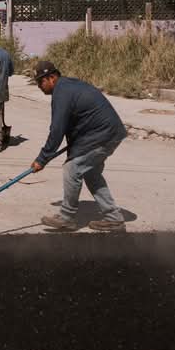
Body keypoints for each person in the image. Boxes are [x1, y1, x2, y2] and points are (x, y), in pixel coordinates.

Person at [29, 59, 127, 232]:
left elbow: (57, 130)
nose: (39, 86)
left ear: (52, 78)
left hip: (102, 135)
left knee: (72, 168)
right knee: (90, 173)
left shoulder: (62, 92)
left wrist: (42, 159)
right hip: (106, 133)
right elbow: (70, 126)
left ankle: (66, 217)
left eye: (40, 82)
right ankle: (114, 218)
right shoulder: (66, 87)